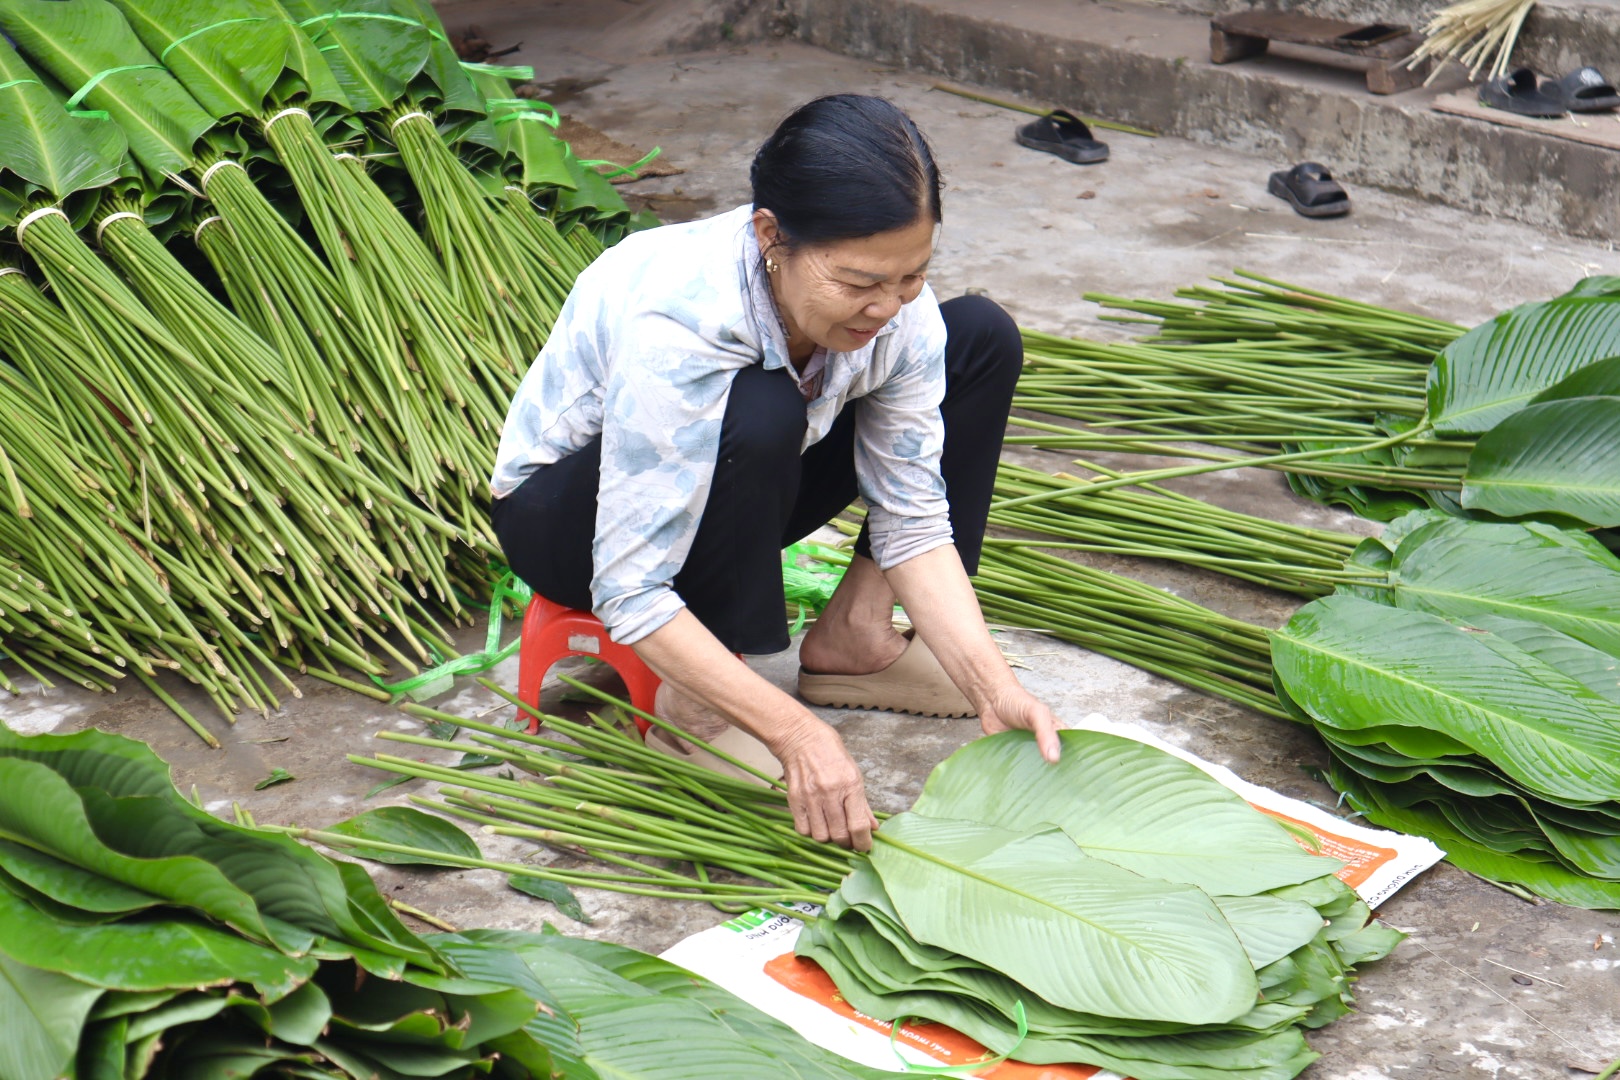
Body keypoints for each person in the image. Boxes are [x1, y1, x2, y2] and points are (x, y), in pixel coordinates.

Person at [491, 94, 1061, 852]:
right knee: (761, 405)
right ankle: (692, 718)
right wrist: (798, 733)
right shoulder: (682, 315)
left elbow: (914, 518)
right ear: (771, 237)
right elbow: (629, 588)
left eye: (911, 275)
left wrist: (996, 688)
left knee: (977, 336)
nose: (886, 307)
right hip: (572, 526)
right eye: (858, 282)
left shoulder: (898, 312)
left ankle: (855, 636)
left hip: (740, 479)